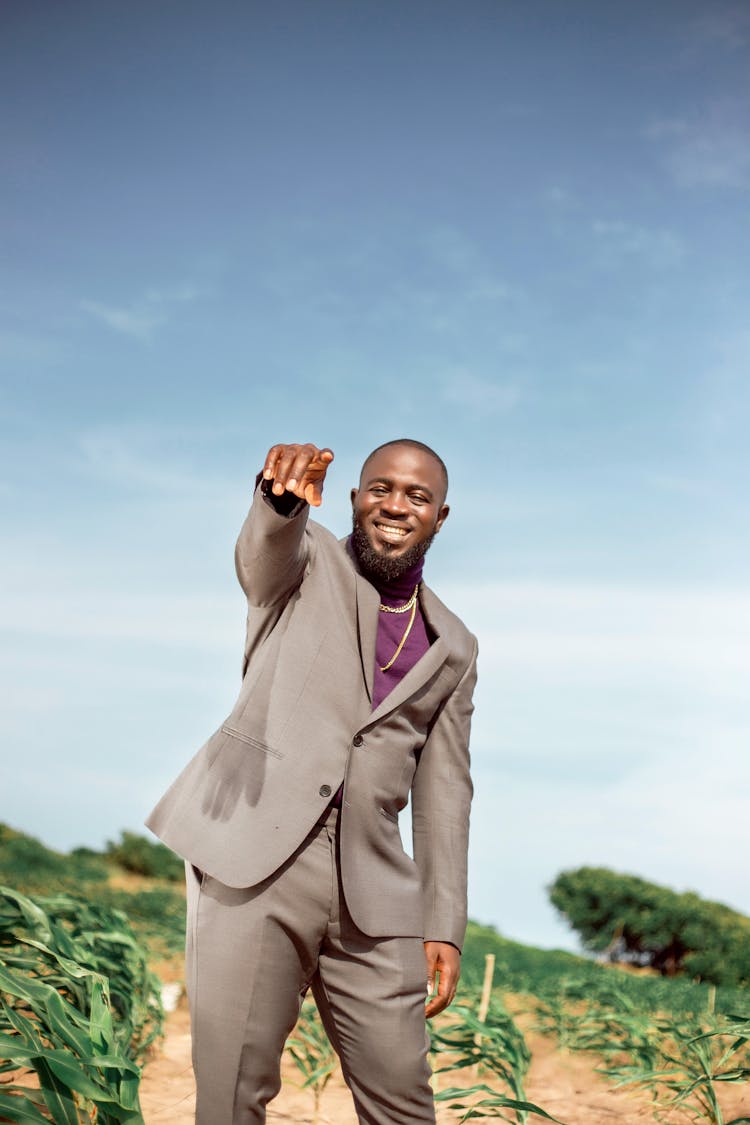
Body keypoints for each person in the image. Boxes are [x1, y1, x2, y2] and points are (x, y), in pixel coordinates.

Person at [146, 439, 478, 1124]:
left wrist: (443, 921)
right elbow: (262, 555)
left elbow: (445, 788)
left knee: (405, 1103)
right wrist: (280, 497)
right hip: (256, 857)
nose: (395, 503)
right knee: (233, 1093)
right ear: (356, 498)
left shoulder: (456, 644)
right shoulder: (308, 562)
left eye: (416, 495)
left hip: (377, 890)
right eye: (380, 487)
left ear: (440, 516)